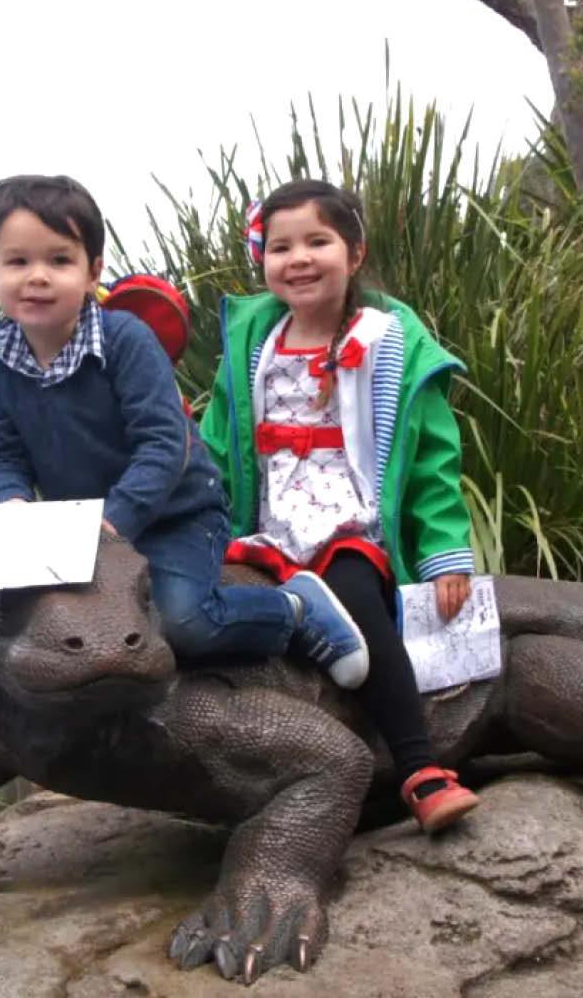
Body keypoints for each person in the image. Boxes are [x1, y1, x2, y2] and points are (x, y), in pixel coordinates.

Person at [0, 174, 370, 689]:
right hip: (75, 533)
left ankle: (293, 611)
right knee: (35, 623)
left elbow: (164, 443)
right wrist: (10, 500)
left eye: (59, 260)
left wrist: (116, 521)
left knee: (184, 623)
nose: (38, 277)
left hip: (174, 513)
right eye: (18, 262)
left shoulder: (124, 341)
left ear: (93, 272)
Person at [200, 179, 481, 832]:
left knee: (359, 597)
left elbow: (435, 460)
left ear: (353, 253)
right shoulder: (252, 346)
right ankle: (293, 619)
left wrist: (445, 554)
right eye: (280, 247)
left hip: (347, 519)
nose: (297, 258)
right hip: (267, 526)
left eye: (316, 241)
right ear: (262, 260)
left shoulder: (388, 341)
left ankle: (420, 769)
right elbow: (216, 442)